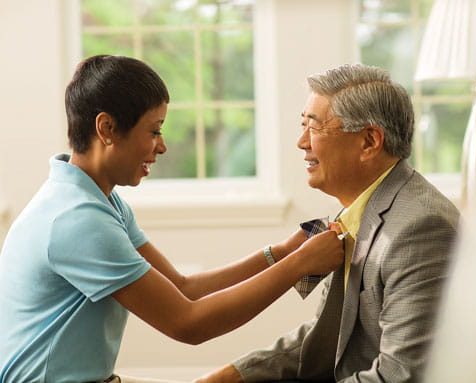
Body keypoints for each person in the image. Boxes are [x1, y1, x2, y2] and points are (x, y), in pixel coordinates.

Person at [0, 55, 344, 383]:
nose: (161, 146)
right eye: (153, 131)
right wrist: (299, 265)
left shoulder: (97, 199)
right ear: (106, 128)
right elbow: (188, 324)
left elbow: (184, 288)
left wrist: (282, 253)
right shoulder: (74, 219)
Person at [198, 64, 460, 383]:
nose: (301, 142)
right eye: (302, 125)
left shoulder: (420, 228)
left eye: (313, 127)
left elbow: (399, 375)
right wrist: (231, 376)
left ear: (369, 142)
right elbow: (328, 336)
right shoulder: (354, 213)